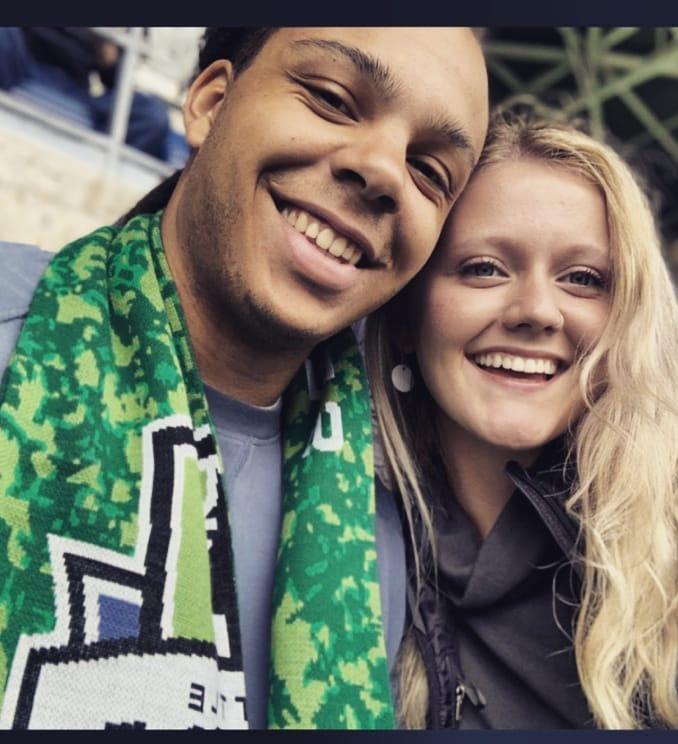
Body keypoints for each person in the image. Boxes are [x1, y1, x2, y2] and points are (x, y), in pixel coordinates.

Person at [0, 27, 489, 729]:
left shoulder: (385, 539)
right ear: (209, 102)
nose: (384, 170)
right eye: (331, 98)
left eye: (430, 172)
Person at [365, 111, 678, 729]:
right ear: (407, 316)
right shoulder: (334, 524)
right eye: (484, 267)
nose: (538, 310)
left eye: (583, 279)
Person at [0, 27, 172, 160]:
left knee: (152, 115)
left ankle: (91, 177)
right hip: (20, 61)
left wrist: (109, 53)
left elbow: (117, 82)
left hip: (76, 89)